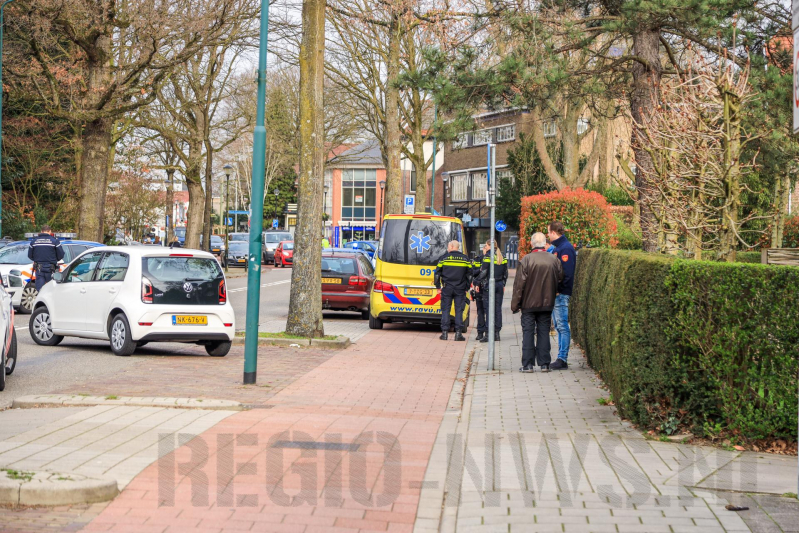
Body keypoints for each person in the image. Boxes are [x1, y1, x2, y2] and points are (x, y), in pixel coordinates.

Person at [511, 232, 563, 372]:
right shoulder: (554, 260)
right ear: (545, 243)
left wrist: (515, 305)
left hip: (528, 304)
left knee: (528, 332)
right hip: (547, 303)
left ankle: (528, 365)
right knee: (544, 332)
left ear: (532, 243)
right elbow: (560, 278)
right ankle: (545, 363)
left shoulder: (526, 260)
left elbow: (519, 285)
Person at [547, 221, 577, 370]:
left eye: (548, 232)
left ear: (553, 232)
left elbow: (567, 273)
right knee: (559, 326)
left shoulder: (565, 249)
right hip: (557, 293)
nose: (547, 235)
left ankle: (562, 359)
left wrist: (559, 289)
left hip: (560, 294)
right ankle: (560, 357)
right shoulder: (559, 247)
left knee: (562, 326)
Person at [434, 240, 472, 341]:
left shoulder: (444, 258)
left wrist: (438, 287)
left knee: (446, 310)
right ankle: (458, 334)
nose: (447, 248)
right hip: (460, 289)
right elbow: (470, 275)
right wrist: (466, 287)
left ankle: (444, 333)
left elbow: (437, 274)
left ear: (451, 246)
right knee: (459, 310)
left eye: (448, 246)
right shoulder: (465, 259)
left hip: (447, 288)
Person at [475, 240, 508, 343]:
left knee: (489, 309)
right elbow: (505, 273)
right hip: (499, 285)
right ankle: (497, 334)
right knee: (498, 309)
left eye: (486, 245)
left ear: (489, 246)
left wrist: (477, 282)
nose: (485, 247)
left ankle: (488, 334)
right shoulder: (502, 256)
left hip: (490, 285)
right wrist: (503, 284)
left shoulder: (488, 257)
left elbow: (484, 272)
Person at [27, 225, 64, 292]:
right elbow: (61, 255)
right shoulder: (55, 241)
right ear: (50, 231)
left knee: (40, 291)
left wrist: (37, 259)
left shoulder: (34, 242)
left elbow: (30, 255)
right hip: (51, 269)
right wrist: (54, 259)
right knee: (51, 290)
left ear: (41, 231)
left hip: (39, 269)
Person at [472, 249, 487, 341]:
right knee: (480, 311)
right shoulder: (477, 259)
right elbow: (473, 272)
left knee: (486, 311)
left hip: (486, 287)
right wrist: (480, 270)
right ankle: (480, 333)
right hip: (479, 287)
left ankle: (488, 333)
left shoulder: (493, 258)